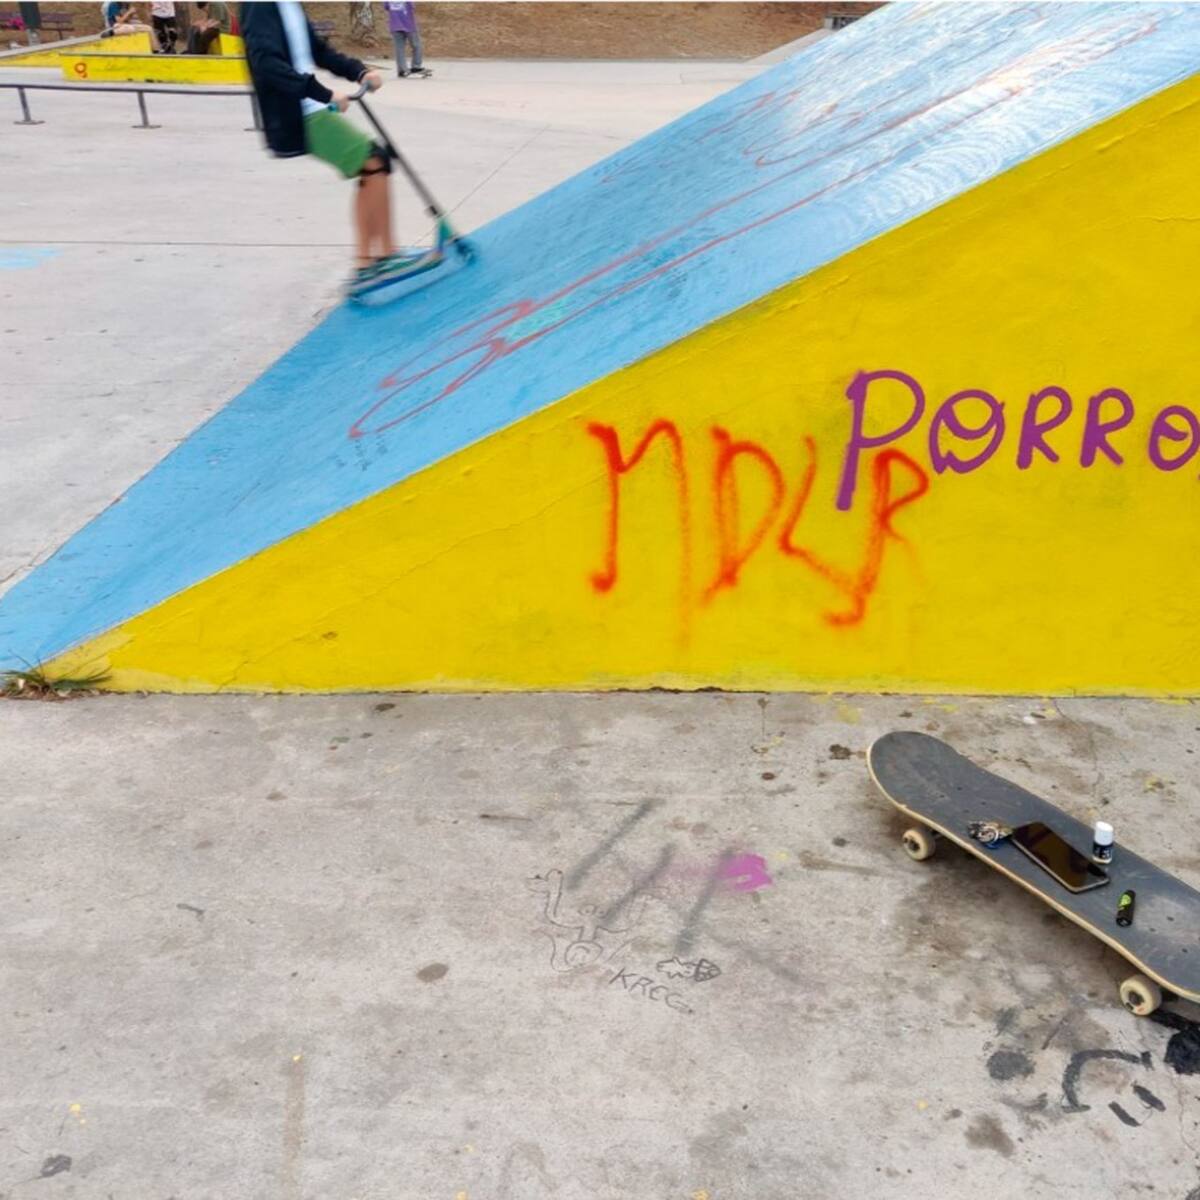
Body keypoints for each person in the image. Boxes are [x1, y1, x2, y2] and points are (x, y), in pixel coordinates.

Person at [242, 2, 398, 288]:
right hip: (297, 113)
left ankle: (382, 255)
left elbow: (318, 51)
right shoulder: (259, 5)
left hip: (310, 106)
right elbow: (266, 63)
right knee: (374, 160)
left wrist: (359, 71)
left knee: (376, 164)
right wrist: (323, 93)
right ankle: (371, 261)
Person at [385, 1, 429, 79]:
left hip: (396, 25)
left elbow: (386, 7)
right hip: (409, 25)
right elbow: (412, 6)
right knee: (416, 45)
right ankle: (415, 66)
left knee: (400, 49)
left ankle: (402, 69)